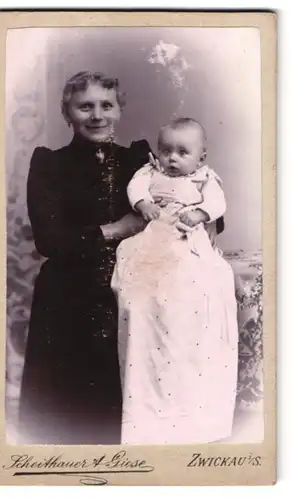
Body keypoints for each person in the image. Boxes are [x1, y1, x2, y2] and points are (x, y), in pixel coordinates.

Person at [17, 71, 154, 445]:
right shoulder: (49, 164)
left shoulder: (139, 160)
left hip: (127, 291)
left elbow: (184, 192)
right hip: (68, 299)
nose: (97, 115)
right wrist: (117, 228)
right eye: (85, 106)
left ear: (119, 110)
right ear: (68, 113)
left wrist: (209, 221)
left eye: (106, 105)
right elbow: (49, 240)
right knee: (67, 417)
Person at [111, 118, 239, 445]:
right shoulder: (149, 173)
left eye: (183, 152)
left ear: (201, 156)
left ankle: (192, 411)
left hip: (187, 237)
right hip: (154, 236)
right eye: (166, 150)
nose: (172, 158)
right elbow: (135, 190)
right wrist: (144, 204)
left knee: (195, 278)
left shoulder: (205, 179)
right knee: (139, 273)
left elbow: (216, 203)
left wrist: (200, 214)